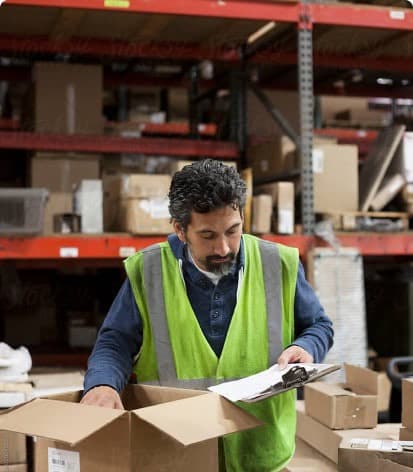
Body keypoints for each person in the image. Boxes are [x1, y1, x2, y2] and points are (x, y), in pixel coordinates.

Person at [81, 159, 334, 471]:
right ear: (180, 229)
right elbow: (115, 342)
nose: (225, 248)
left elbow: (319, 326)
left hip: (260, 457)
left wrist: (307, 346)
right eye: (208, 235)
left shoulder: (278, 264)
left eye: (233, 230)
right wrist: (102, 385)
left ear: (243, 216)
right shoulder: (149, 272)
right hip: (179, 455)